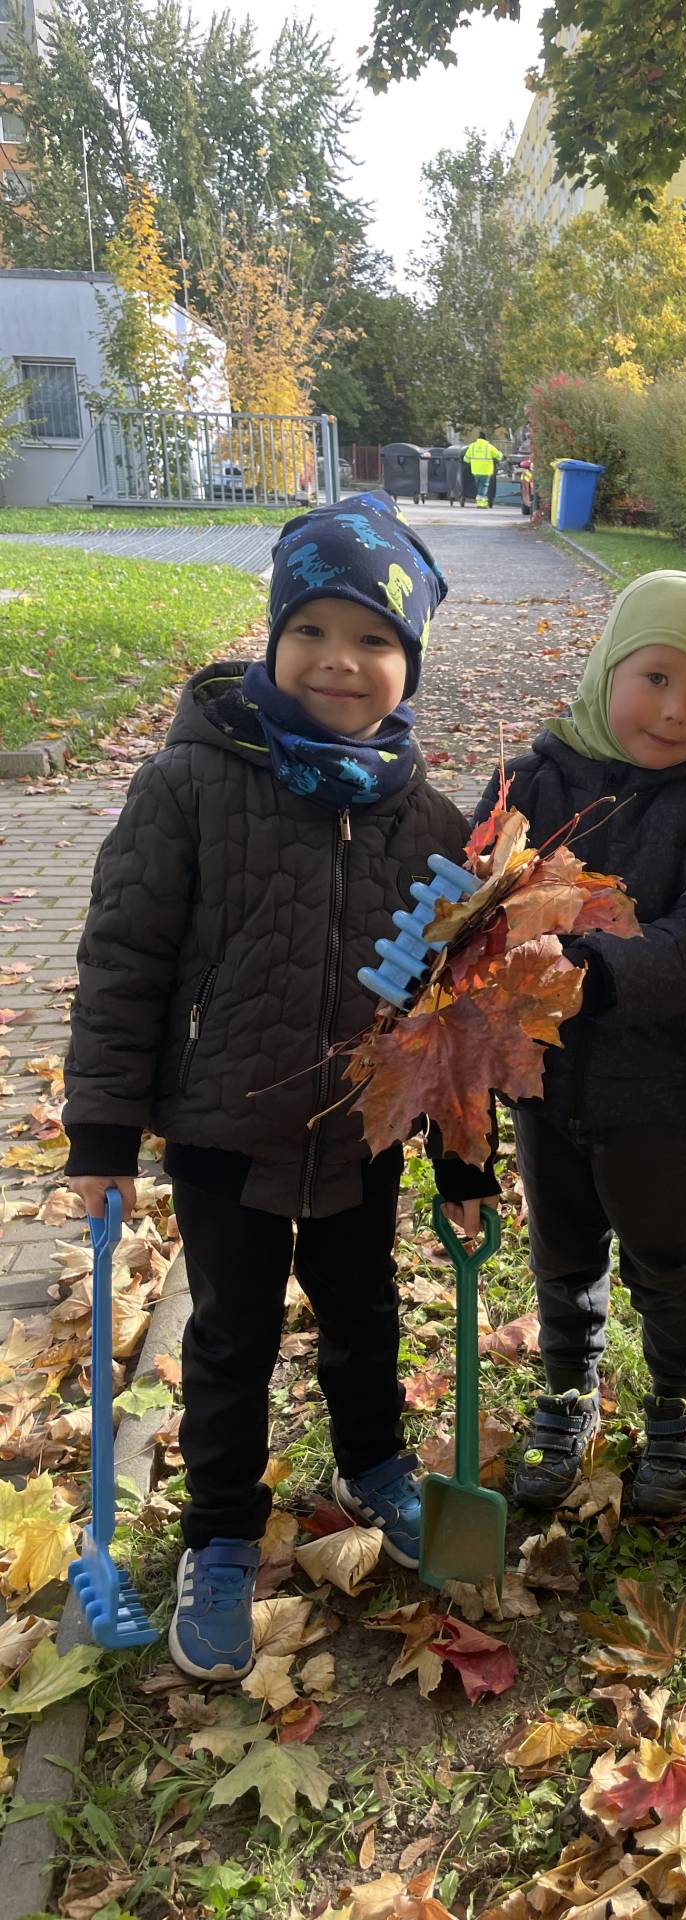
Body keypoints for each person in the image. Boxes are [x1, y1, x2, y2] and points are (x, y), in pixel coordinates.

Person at [62, 491, 494, 1681]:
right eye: (311, 630)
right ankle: (219, 1532)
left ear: (410, 662)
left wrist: (464, 1160)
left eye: (373, 638)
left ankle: (375, 1462)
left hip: (361, 1135)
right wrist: (101, 1133)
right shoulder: (189, 785)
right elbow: (124, 958)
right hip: (223, 1128)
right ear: (271, 637)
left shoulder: (431, 821)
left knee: (363, 1313)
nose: (339, 661)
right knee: (231, 1334)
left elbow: (457, 1022)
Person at [470, 571, 686, 1518]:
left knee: (664, 1255)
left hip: (661, 1088)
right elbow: (470, 901)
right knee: (562, 1251)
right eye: (656, 678)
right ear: (607, 670)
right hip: (545, 1082)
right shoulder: (534, 778)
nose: (676, 711)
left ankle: (677, 1402)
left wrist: (592, 973)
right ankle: (567, 1393)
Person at [464, 430, 504, 509]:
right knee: (484, 486)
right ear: (486, 439)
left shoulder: (472, 446)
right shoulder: (489, 447)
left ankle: (480, 501)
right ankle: (481, 503)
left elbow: (466, 459)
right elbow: (499, 456)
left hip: (475, 470)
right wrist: (501, 454)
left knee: (479, 486)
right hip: (486, 471)